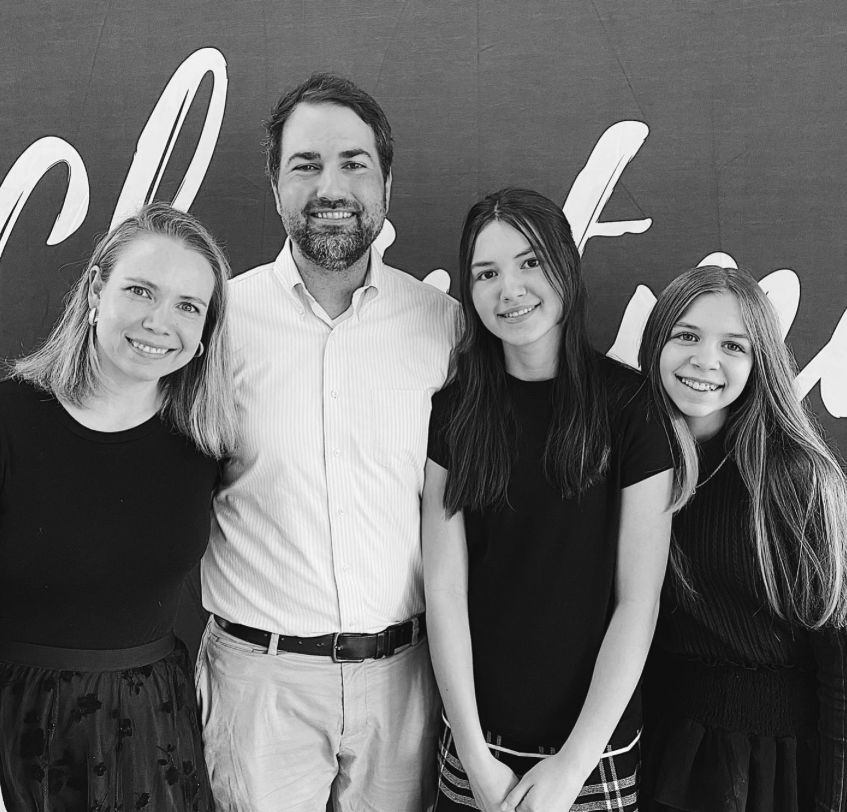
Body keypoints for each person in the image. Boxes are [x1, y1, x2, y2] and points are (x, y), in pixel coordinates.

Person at [197, 73, 459, 812]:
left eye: (353, 163)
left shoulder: (441, 325)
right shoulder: (217, 322)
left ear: (385, 185)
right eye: (305, 165)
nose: (330, 185)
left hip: (405, 677)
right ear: (275, 186)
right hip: (259, 683)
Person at [422, 187, 673, 812]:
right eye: (487, 273)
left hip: (593, 746)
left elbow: (637, 602)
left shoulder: (631, 407)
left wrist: (571, 766)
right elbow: (445, 590)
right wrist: (475, 755)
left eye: (531, 262)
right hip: (478, 742)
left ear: (566, 265)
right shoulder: (454, 411)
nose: (510, 289)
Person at [0, 202, 237, 811]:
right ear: (94, 292)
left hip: (153, 725)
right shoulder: (9, 419)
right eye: (140, 291)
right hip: (18, 722)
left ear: (207, 329)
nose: (160, 322)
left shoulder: (205, 442)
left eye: (188, 306)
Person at [637, 265, 847, 812]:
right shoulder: (634, 465)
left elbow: (841, 663)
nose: (706, 360)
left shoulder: (793, 477)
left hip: (771, 769)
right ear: (657, 342)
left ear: (760, 364)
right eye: (686, 335)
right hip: (656, 751)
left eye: (734, 345)